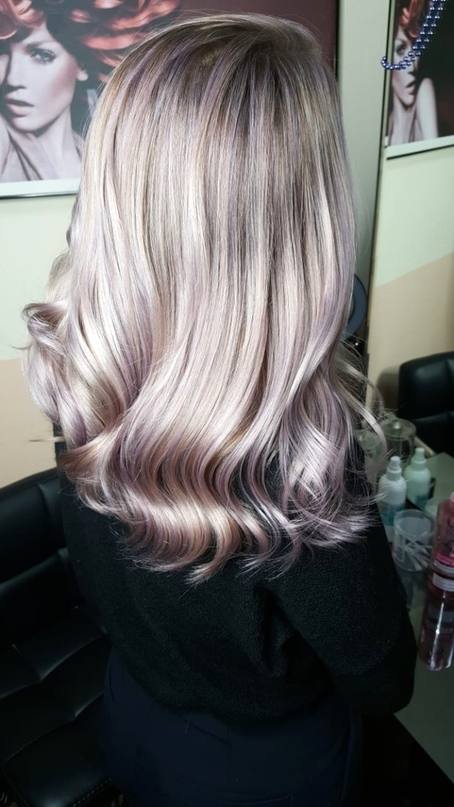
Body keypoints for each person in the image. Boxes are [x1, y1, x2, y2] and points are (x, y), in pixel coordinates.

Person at [20, 11, 417, 806]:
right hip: (265, 772)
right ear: (301, 224)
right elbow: (383, 681)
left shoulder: (86, 378)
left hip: (133, 714)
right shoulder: (298, 456)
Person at [0, 0, 180, 181]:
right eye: (2, 53)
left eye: (41, 55)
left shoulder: (112, 160)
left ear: (82, 65)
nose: (11, 79)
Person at [387, 0, 438, 145]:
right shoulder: (386, 123)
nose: (412, 66)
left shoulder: (424, 90)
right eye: (401, 50)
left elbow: (436, 157)